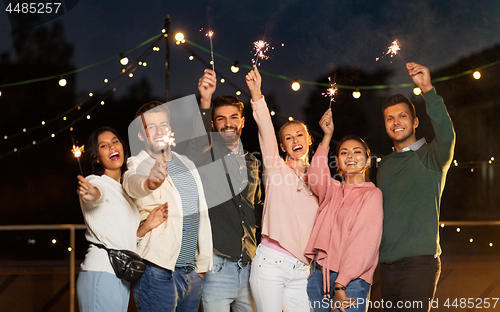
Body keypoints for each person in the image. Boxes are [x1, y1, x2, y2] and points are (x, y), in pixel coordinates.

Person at [377, 62, 455, 311]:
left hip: (419, 263)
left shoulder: (431, 157)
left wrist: (427, 90)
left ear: (415, 121)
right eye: (390, 118)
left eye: (402, 116)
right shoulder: (384, 165)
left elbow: (446, 134)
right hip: (386, 265)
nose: (396, 122)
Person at [122, 102, 213, 312]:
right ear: (141, 136)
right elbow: (132, 183)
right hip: (157, 270)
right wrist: (149, 183)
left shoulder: (187, 163)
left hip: (191, 273)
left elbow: (201, 213)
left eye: (163, 124)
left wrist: (201, 268)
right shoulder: (138, 164)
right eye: (151, 127)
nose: (159, 131)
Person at [187, 69, 262, 312]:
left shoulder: (253, 162)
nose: (228, 123)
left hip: (250, 267)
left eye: (233, 117)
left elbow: (256, 209)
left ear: (242, 121)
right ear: (212, 123)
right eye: (221, 118)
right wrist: (205, 99)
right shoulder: (206, 155)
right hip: (216, 267)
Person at [245, 65, 319, 312]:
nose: (295, 140)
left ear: (309, 140)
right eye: (288, 137)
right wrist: (257, 94)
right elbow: (265, 130)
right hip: (270, 265)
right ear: (282, 146)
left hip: (302, 270)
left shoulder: (321, 180)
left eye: (300, 135)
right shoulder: (275, 167)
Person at [76, 126, 167, 312]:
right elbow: (97, 195)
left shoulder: (124, 190)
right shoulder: (96, 181)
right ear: (96, 157)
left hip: (121, 273)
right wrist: (92, 194)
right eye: (104, 145)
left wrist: (147, 226)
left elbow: (123, 237)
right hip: (101, 272)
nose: (111, 147)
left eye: (115, 141)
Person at [304, 109, 383, 312]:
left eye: (357, 152)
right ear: (338, 162)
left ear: (366, 161)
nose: (350, 155)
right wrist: (327, 136)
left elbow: (363, 244)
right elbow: (314, 176)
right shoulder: (332, 189)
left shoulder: (372, 195)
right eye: (344, 152)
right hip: (318, 278)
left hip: (351, 282)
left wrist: (341, 283)